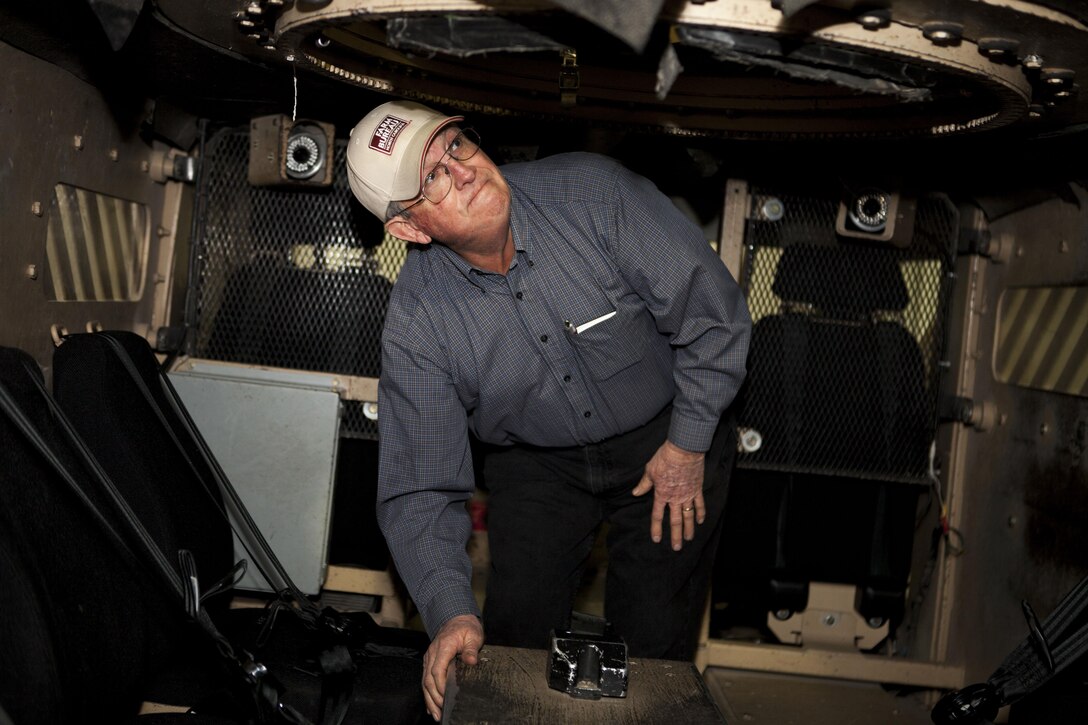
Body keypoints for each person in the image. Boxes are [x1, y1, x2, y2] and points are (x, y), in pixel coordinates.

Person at [346, 100, 751, 720]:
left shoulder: (593, 194)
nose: (462, 170)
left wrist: (690, 443)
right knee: (508, 653)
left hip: (671, 431)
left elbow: (714, 319)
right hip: (536, 466)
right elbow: (420, 482)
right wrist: (451, 611)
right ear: (409, 228)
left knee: (653, 653)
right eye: (430, 178)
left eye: (454, 145)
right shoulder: (419, 319)